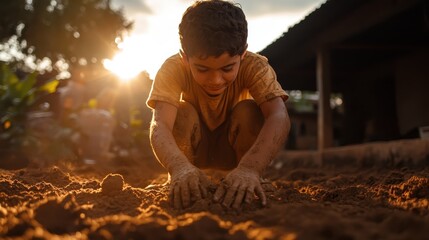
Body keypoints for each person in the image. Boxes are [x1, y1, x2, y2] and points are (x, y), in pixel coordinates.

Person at [146, 0, 291, 209]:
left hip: (236, 152)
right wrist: (178, 167)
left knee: (248, 110)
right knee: (182, 111)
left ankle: (250, 178)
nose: (215, 80)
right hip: (194, 151)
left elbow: (278, 115)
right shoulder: (172, 69)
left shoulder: (256, 67)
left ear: (242, 54)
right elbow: (160, 124)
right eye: (203, 69)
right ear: (185, 58)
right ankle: (178, 179)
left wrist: (250, 168)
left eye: (227, 68)